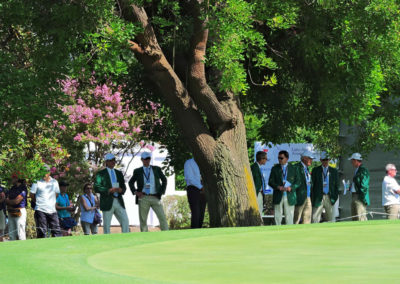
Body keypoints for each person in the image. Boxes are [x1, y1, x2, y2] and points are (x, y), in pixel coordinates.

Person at [129, 151, 169, 232]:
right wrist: (136, 192)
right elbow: (131, 182)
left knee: (162, 217)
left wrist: (161, 192)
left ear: (150, 159)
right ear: (141, 160)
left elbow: (164, 180)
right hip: (143, 197)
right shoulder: (137, 171)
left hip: (155, 197)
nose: (146, 160)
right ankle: (145, 236)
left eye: (148, 158)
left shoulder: (156, 169)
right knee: (143, 220)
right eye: (145, 159)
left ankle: (166, 234)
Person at [94, 153, 130, 234]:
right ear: (106, 162)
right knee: (107, 226)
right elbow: (96, 187)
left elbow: (123, 186)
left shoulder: (119, 173)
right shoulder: (101, 174)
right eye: (110, 160)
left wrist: (122, 190)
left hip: (119, 200)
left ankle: (126, 239)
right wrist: (108, 190)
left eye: (114, 160)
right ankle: (107, 243)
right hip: (107, 201)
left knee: (125, 221)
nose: (113, 162)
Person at [30, 165, 62, 238]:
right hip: (40, 209)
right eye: (42, 172)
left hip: (52, 210)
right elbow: (32, 194)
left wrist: (50, 202)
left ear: (49, 173)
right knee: (42, 232)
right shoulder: (36, 181)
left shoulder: (54, 182)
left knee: (56, 231)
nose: (43, 174)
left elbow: (56, 194)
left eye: (45, 172)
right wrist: (38, 201)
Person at [268, 150, 299, 225]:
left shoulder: (294, 168)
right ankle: (277, 232)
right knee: (277, 217)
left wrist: (291, 187)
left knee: (289, 216)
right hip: (279, 194)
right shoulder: (275, 168)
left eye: (281, 158)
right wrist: (278, 187)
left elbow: (298, 182)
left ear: (287, 158)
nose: (279, 160)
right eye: (278, 158)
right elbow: (270, 182)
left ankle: (289, 233)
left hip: (290, 195)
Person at [311, 152, 339, 223]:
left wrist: (334, 197)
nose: (325, 161)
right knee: (315, 218)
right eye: (323, 160)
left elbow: (336, 186)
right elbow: (312, 184)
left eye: (327, 159)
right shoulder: (315, 170)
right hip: (318, 197)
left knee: (331, 219)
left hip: (329, 197)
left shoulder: (334, 171)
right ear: (320, 160)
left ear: (329, 160)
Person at [184, 158, 207, 228]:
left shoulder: (204, 161)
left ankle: (199, 231)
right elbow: (189, 178)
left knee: (201, 213)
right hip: (193, 189)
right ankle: (194, 231)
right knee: (195, 213)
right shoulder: (189, 162)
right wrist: (201, 187)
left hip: (204, 189)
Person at [294, 150, 314, 224]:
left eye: (311, 159)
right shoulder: (296, 167)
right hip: (299, 197)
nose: (311, 160)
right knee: (296, 220)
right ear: (304, 158)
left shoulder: (307, 169)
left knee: (307, 220)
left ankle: (306, 234)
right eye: (310, 158)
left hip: (308, 197)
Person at [6, 174, 27, 240]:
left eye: (13, 178)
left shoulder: (23, 188)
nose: (11, 179)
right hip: (11, 211)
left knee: (20, 233)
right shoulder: (12, 188)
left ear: (17, 179)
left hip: (19, 212)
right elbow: (7, 199)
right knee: (11, 234)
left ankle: (23, 249)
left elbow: (16, 201)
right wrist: (10, 201)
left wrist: (9, 201)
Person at [348, 153, 370, 221]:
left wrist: (362, 198)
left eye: (352, 161)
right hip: (354, 195)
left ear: (355, 160)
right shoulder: (357, 170)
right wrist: (351, 187)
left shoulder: (363, 170)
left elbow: (364, 185)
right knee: (354, 218)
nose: (351, 162)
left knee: (361, 218)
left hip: (359, 197)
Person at [251, 151, 268, 215]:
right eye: (266, 159)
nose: (266, 160)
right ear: (262, 159)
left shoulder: (258, 167)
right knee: (257, 211)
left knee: (260, 210)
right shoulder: (254, 167)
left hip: (260, 193)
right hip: (256, 193)